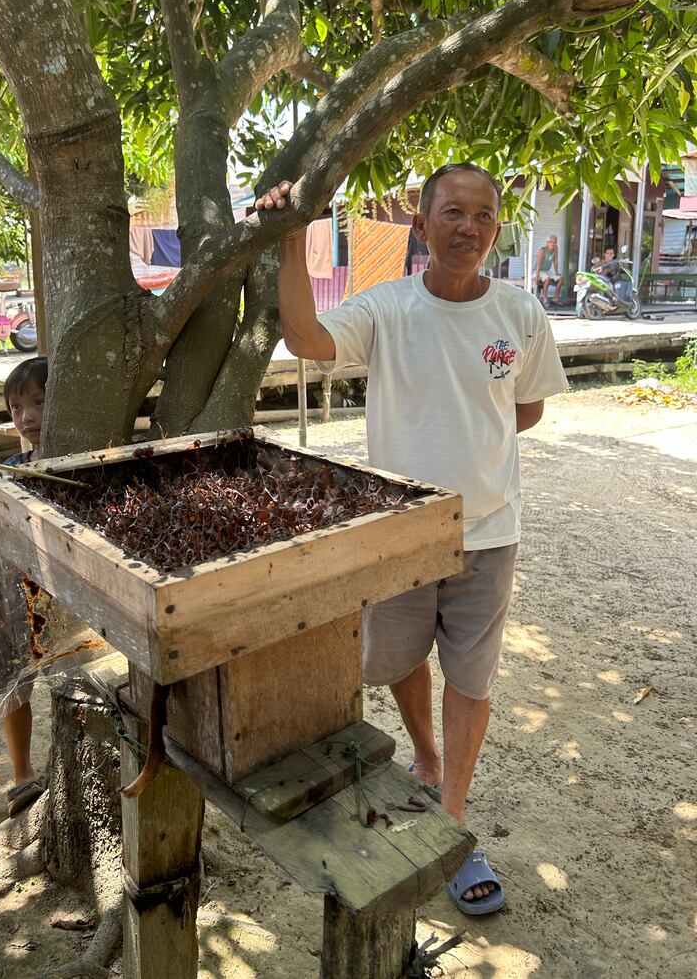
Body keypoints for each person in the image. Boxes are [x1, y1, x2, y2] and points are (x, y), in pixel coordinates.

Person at [256, 164, 568, 915]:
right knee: (398, 658)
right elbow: (303, 339)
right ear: (421, 226)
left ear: (497, 229)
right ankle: (425, 757)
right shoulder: (387, 309)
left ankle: (452, 824)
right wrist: (293, 236)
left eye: (485, 215)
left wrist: (471, 439)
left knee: (473, 678)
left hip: (490, 533)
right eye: (453, 212)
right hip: (399, 533)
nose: (469, 226)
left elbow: (523, 411)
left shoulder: (521, 313)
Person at [0, 356, 48, 817]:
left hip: (61, 595)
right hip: (12, 589)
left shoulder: (77, 457)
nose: (27, 417)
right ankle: (22, 774)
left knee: (75, 681)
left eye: (39, 402)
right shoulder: (7, 469)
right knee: (14, 683)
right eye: (16, 407)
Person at [534, 234, 563, 307]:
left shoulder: (555, 249)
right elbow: (538, 264)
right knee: (547, 279)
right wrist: (537, 276)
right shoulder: (543, 250)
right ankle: (545, 299)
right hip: (538, 270)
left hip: (546, 271)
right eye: (551, 242)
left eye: (555, 242)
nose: (553, 244)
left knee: (560, 279)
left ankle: (555, 299)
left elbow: (555, 262)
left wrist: (557, 273)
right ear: (548, 243)